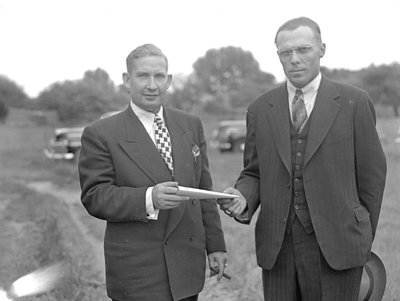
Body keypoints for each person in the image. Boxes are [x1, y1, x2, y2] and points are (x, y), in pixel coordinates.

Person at [218, 17, 386, 300]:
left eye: (303, 50)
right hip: (278, 249)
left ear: (322, 49)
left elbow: (372, 176)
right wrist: (243, 197)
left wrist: (359, 234)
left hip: (339, 247)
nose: (294, 59)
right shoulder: (260, 108)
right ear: (278, 55)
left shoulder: (354, 102)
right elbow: (255, 172)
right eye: (286, 53)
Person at [78, 44, 227, 301]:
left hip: (186, 267)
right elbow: (95, 196)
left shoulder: (190, 125)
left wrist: (216, 246)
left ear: (168, 80)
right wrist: (149, 198)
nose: (152, 84)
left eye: (159, 76)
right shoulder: (101, 133)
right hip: (137, 273)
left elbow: (204, 190)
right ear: (126, 80)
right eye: (143, 76)